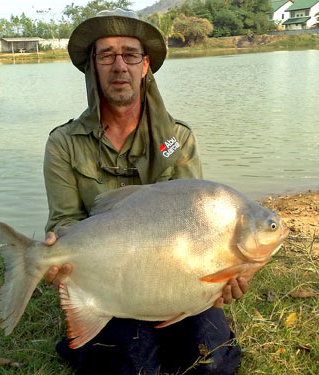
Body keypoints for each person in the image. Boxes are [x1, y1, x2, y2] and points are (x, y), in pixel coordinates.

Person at [42, 9, 247, 375]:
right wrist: (61, 253)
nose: (119, 65)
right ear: (93, 66)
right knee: (128, 365)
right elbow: (65, 220)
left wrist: (222, 273)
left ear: (145, 65)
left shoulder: (177, 139)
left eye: (130, 54)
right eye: (106, 55)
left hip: (176, 275)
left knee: (213, 362)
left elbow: (198, 218)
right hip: (109, 279)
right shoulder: (63, 143)